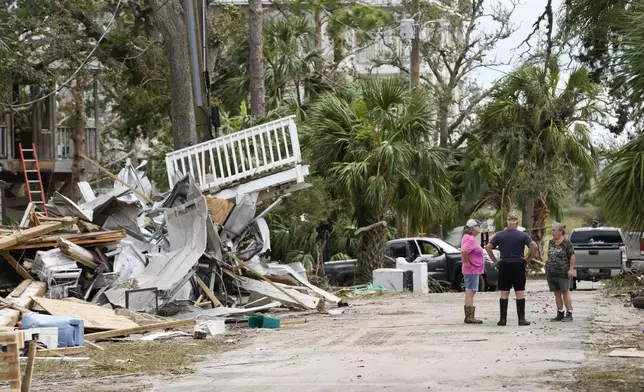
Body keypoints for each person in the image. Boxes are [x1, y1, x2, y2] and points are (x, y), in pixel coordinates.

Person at [485, 212, 538, 326]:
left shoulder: (499, 235)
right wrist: (528, 258)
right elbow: (534, 246)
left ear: (507, 222)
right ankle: (521, 319)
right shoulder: (522, 235)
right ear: (517, 223)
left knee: (504, 292)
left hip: (504, 264)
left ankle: (503, 319)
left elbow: (488, 247)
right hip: (518, 264)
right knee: (519, 292)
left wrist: (495, 260)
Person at [545, 222, 576, 322]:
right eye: (552, 230)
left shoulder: (567, 243)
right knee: (557, 293)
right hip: (552, 273)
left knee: (565, 292)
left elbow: (572, 256)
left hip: (563, 273)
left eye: (554, 230)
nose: (552, 232)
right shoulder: (551, 242)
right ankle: (560, 313)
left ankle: (569, 313)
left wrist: (571, 269)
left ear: (560, 231)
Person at [461, 219, 484, 324]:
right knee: (471, 291)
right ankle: (469, 317)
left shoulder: (470, 238)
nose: (479, 227)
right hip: (471, 269)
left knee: (470, 290)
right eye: (478, 225)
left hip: (473, 269)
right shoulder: (469, 239)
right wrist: (467, 262)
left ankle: (469, 316)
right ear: (473, 228)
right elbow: (464, 251)